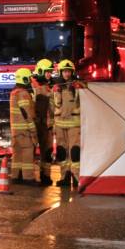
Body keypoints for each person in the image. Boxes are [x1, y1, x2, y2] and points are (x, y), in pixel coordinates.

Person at [52, 59, 83, 188]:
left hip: (74, 124)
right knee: (62, 152)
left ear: (72, 72)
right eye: (64, 71)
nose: (67, 74)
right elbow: (52, 106)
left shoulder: (78, 86)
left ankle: (77, 178)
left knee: (75, 152)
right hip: (60, 125)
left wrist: (79, 88)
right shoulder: (56, 87)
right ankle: (64, 177)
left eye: (68, 71)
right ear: (61, 72)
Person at [9, 67, 38, 183]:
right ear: (25, 79)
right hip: (24, 130)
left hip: (15, 131)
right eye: (29, 79)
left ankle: (16, 176)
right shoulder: (23, 93)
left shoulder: (14, 92)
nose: (30, 81)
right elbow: (27, 113)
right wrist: (33, 129)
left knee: (17, 155)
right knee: (27, 153)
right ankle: (28, 177)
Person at [31, 58, 54, 186]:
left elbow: (52, 108)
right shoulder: (32, 85)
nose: (49, 74)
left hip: (46, 125)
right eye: (47, 72)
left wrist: (52, 124)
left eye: (50, 72)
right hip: (35, 124)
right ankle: (28, 176)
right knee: (30, 152)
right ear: (40, 71)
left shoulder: (48, 87)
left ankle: (45, 176)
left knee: (47, 152)